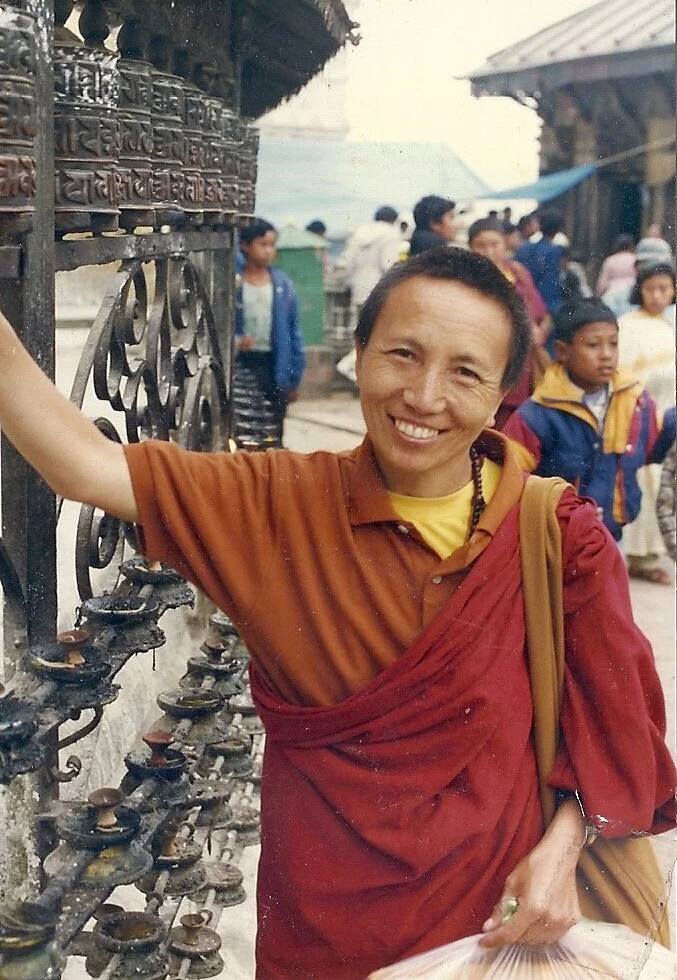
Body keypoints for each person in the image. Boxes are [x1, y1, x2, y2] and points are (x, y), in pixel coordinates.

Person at [0, 248, 674, 980]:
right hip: (326, 929)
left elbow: (619, 728)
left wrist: (563, 851)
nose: (424, 396)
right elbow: (82, 464)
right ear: (360, 353)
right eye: (403, 355)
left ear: (502, 395)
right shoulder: (277, 502)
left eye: (464, 373)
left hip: (498, 917)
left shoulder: (556, 535)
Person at [504, 298, 675, 543]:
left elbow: (654, 446)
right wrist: (560, 513)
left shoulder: (634, 399)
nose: (606, 355)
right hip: (556, 538)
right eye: (594, 345)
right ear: (562, 351)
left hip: (612, 535)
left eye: (613, 344)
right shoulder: (537, 414)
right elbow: (509, 480)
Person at [617, 262, 677, 584]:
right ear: (639, 290)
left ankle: (654, 554)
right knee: (643, 481)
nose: (657, 295)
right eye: (651, 288)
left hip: (670, 413)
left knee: (665, 485)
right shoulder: (628, 326)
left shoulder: (668, 325)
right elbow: (622, 373)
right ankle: (634, 556)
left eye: (664, 289)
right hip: (641, 413)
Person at [467, 217, 548, 429]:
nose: (488, 252)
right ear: (470, 247)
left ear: (505, 243)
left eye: (495, 244)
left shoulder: (517, 273)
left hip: (519, 360)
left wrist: (538, 330)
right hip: (484, 356)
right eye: (480, 246)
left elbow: (539, 310)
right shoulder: (466, 279)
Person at [235, 218, 306, 425]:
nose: (268, 251)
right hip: (242, 363)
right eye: (262, 244)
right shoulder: (235, 282)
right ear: (245, 246)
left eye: (272, 245)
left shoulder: (282, 284)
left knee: (273, 426)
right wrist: (236, 341)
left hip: (273, 366)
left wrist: (293, 378)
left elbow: (294, 333)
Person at [514, 208, 567, 352]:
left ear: (539, 225)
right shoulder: (554, 252)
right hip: (542, 313)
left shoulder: (523, 249)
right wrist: (547, 320)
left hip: (519, 307)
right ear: (559, 229)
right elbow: (550, 288)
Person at [340, 205, 401, 308]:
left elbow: (349, 264)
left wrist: (348, 286)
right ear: (393, 220)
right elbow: (388, 266)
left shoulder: (358, 233)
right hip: (380, 291)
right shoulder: (391, 234)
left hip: (358, 289)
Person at [602, 236, 673, 320]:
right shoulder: (614, 297)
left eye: (659, 267)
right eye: (646, 264)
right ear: (635, 266)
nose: (653, 271)